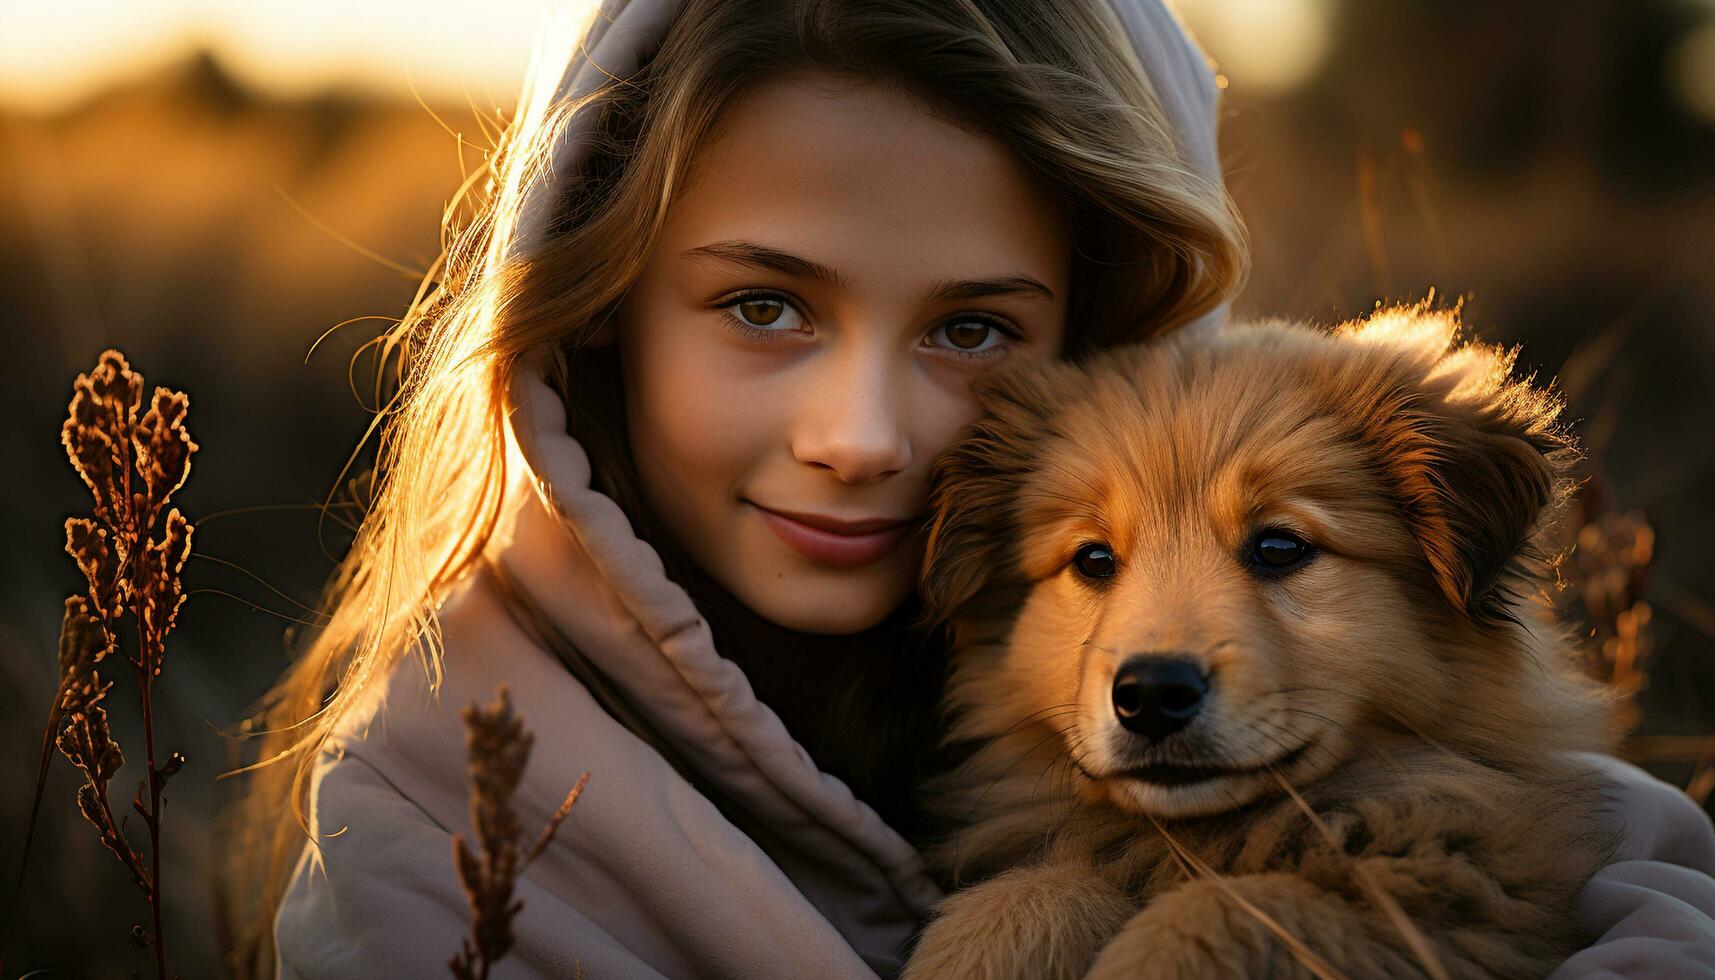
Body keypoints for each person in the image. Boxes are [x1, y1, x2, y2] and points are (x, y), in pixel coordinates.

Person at [220, 0, 1715, 977]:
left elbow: (1594, 862)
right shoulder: (429, 830)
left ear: (1105, 314)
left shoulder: (1020, 551)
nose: (863, 438)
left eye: (972, 328)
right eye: (763, 305)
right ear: (595, 301)